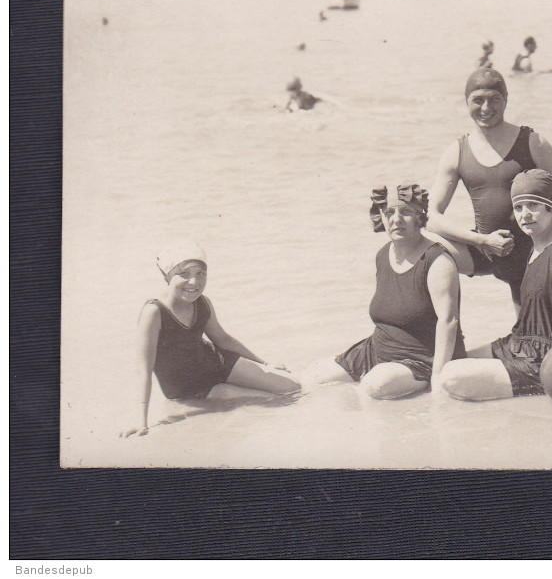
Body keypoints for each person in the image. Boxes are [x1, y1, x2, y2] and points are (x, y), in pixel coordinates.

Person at [438, 170, 552, 406]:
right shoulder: (537, 246)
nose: (525, 215)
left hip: (545, 360)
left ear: (550, 206)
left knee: (451, 377)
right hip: (520, 344)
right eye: (519, 207)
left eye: (533, 205)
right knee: (451, 358)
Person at [426, 68, 552, 311]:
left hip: (530, 254)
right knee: (422, 246)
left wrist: (531, 229)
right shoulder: (457, 152)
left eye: (494, 99)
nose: (486, 108)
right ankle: (446, 328)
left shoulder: (533, 142)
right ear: (466, 102)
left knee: (531, 330)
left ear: (506, 100)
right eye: (478, 100)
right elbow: (430, 217)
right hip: (485, 250)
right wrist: (482, 240)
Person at [120, 242, 300, 438]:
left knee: (291, 389)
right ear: (167, 277)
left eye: (201, 274)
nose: (194, 282)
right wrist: (141, 422)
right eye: (184, 274)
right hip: (188, 387)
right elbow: (143, 369)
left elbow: (222, 339)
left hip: (217, 363)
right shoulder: (154, 312)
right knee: (269, 399)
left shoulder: (203, 303)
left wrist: (265, 363)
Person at [307, 184, 467, 398]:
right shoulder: (383, 254)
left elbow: (448, 321)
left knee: (374, 387)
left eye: (406, 212)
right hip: (377, 350)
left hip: (422, 359)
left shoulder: (438, 261)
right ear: (381, 217)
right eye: (389, 212)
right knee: (315, 378)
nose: (396, 219)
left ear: (420, 217)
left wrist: (438, 377)